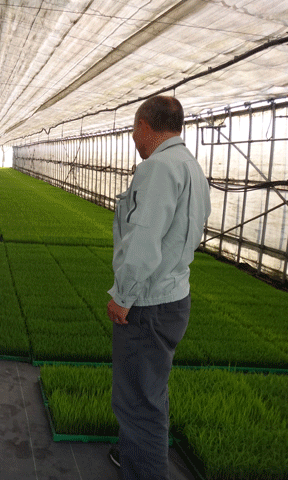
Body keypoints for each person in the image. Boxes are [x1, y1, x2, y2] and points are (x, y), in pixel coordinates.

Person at [107, 96, 211, 478]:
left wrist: (123, 295)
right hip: (174, 297)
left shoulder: (158, 168)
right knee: (151, 393)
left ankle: (144, 469)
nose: (133, 137)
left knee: (137, 403)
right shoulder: (191, 167)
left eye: (134, 128)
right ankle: (135, 454)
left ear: (146, 125)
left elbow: (144, 240)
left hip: (147, 304)